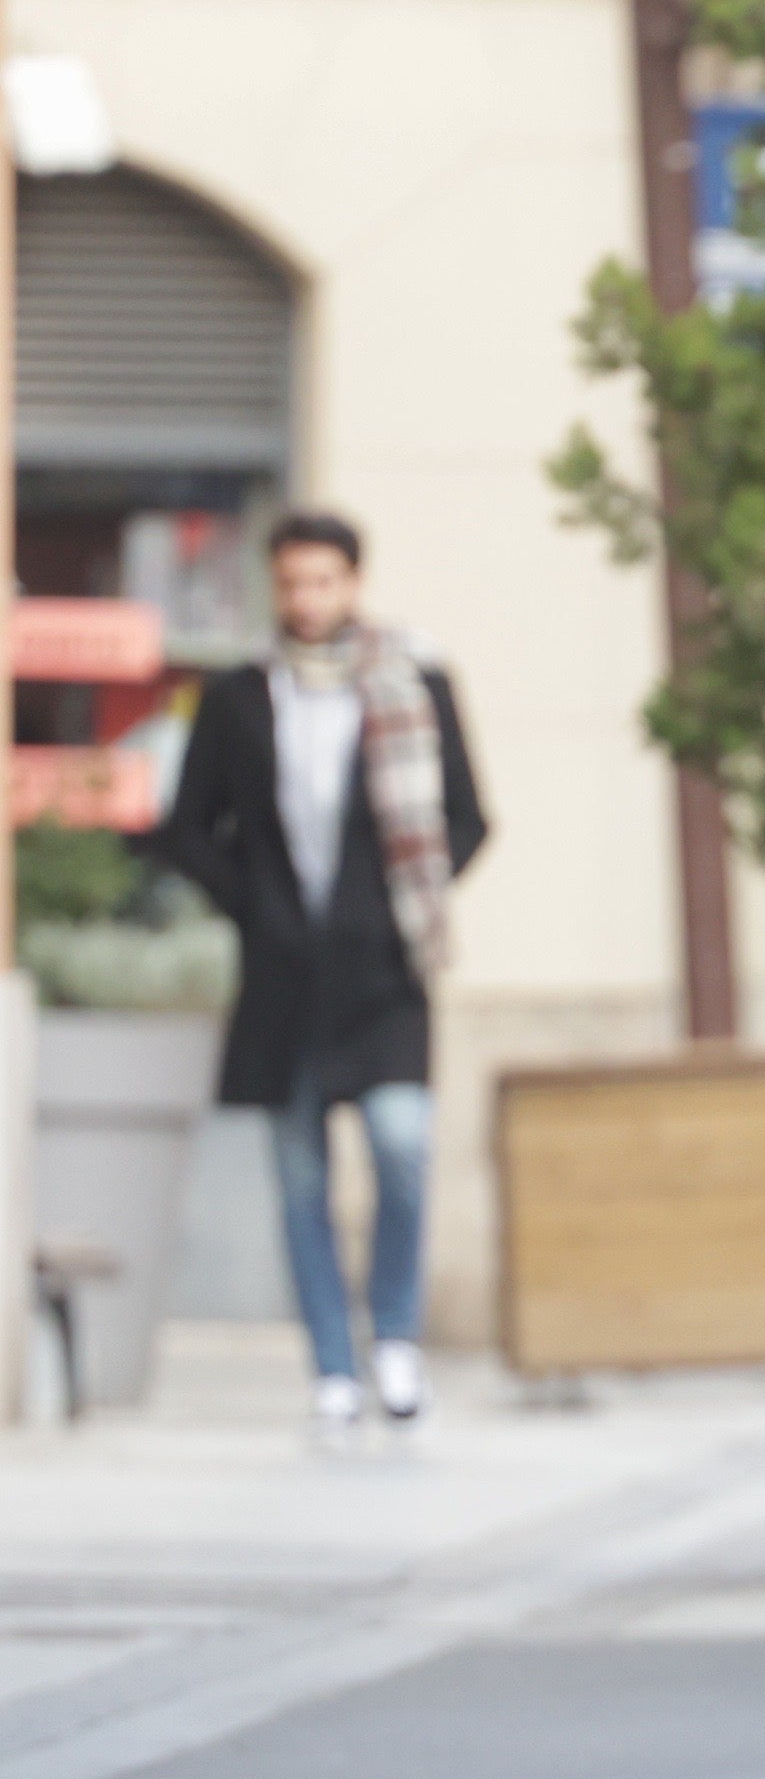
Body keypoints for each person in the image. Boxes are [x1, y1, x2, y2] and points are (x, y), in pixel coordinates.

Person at [148, 511, 490, 1435]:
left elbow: (466, 817)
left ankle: (397, 1341)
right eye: (292, 583)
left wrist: (397, 906)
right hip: (282, 977)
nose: (307, 599)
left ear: (352, 582)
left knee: (403, 1148)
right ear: (275, 586)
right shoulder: (238, 696)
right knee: (299, 1180)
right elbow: (188, 829)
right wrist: (254, 905)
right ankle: (333, 1365)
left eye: (323, 581)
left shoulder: (413, 682)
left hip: (385, 973)